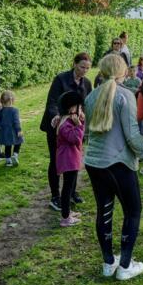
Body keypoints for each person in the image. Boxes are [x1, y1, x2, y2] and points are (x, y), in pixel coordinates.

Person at [83, 54, 143, 280]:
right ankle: (125, 265)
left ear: (101, 71)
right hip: (118, 163)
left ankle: (109, 262)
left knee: (104, 211)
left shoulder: (91, 96)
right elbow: (133, 136)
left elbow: (87, 133)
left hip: (94, 162)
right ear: (123, 72)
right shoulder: (125, 96)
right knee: (133, 211)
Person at [40, 52, 92, 211]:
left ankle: (71, 192)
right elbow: (52, 102)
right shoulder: (60, 79)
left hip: (76, 128)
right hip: (58, 127)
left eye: (87, 68)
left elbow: (87, 103)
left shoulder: (87, 83)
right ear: (74, 63)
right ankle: (55, 196)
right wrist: (56, 116)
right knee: (56, 160)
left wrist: (84, 117)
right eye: (82, 67)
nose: (84, 70)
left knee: (75, 159)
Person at [56, 91, 85, 227]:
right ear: (72, 108)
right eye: (78, 106)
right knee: (67, 188)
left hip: (70, 158)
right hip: (69, 160)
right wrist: (79, 125)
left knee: (69, 187)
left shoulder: (66, 120)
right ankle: (65, 218)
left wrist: (80, 122)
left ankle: (67, 212)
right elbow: (76, 139)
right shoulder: (66, 124)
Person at [0, 91, 23, 167]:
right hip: (13, 130)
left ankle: (8, 161)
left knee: (7, 145)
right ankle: (15, 155)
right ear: (11, 100)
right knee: (19, 141)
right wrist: (19, 130)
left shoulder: (0, 111)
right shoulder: (14, 110)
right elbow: (16, 121)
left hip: (4, 131)